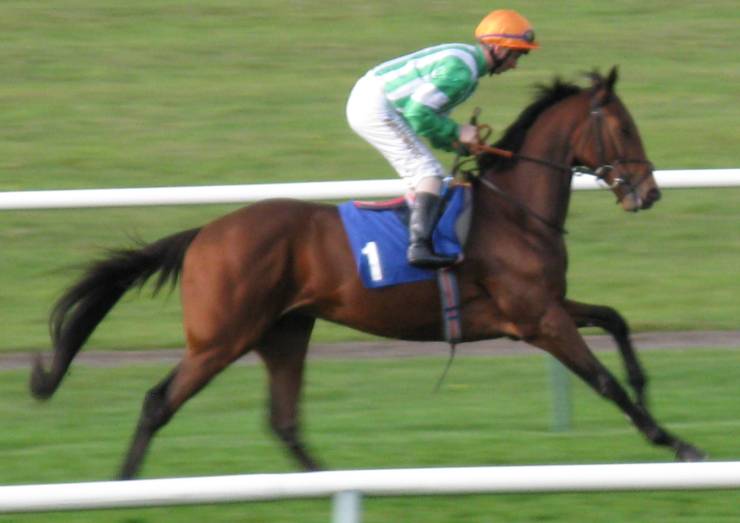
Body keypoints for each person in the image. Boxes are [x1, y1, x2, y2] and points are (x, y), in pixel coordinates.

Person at [346, 9, 539, 269]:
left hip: (375, 102)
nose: (515, 64)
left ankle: (413, 235)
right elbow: (417, 114)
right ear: (497, 47)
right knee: (428, 174)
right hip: (375, 108)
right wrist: (458, 132)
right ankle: (418, 248)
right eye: (515, 54)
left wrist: (459, 145)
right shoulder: (462, 72)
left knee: (434, 177)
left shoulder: (468, 68)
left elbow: (431, 125)